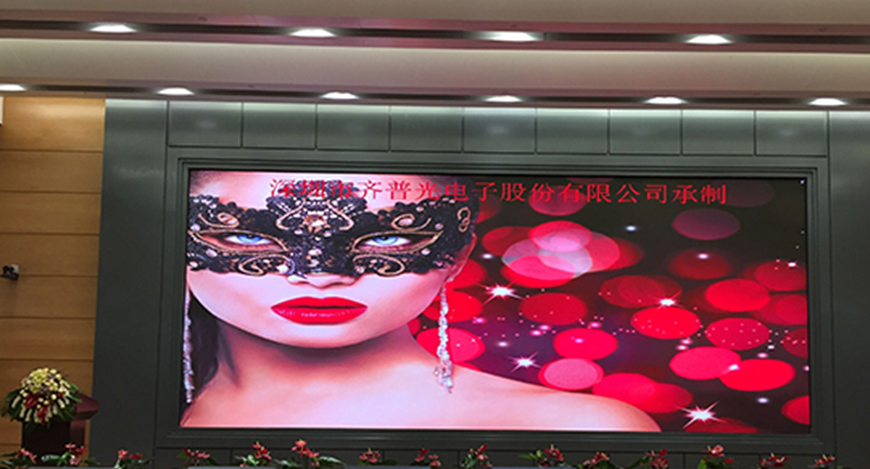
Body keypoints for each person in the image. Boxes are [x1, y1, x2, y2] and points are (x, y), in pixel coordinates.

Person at [180, 170, 660, 432]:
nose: (322, 274)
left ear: (459, 254)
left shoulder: (581, 426)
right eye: (248, 237)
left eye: (387, 238)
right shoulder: (156, 411)